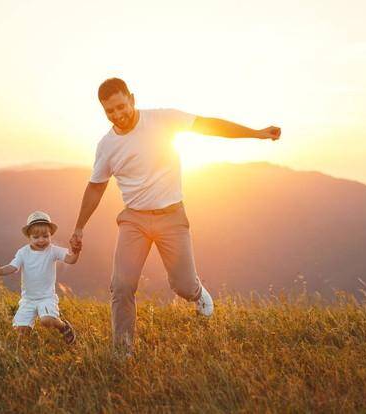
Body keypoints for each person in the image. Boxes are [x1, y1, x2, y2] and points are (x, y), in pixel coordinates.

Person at [70, 78, 281, 351]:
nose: (118, 115)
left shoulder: (163, 119)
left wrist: (257, 133)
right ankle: (122, 353)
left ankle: (197, 293)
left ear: (132, 98)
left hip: (172, 216)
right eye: (110, 111)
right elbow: (96, 187)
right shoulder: (106, 146)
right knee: (121, 287)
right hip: (134, 220)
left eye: (121, 106)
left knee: (181, 285)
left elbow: (208, 125)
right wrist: (79, 227)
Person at [0, 211, 79, 345]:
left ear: (51, 235)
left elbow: (71, 259)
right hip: (28, 299)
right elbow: (13, 267)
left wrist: (76, 251)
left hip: (46, 297)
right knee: (21, 331)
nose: (41, 240)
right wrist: (0, 271)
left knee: (47, 320)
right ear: (29, 237)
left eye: (45, 236)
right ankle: (26, 355)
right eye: (36, 237)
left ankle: (63, 327)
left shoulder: (53, 250)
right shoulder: (23, 252)